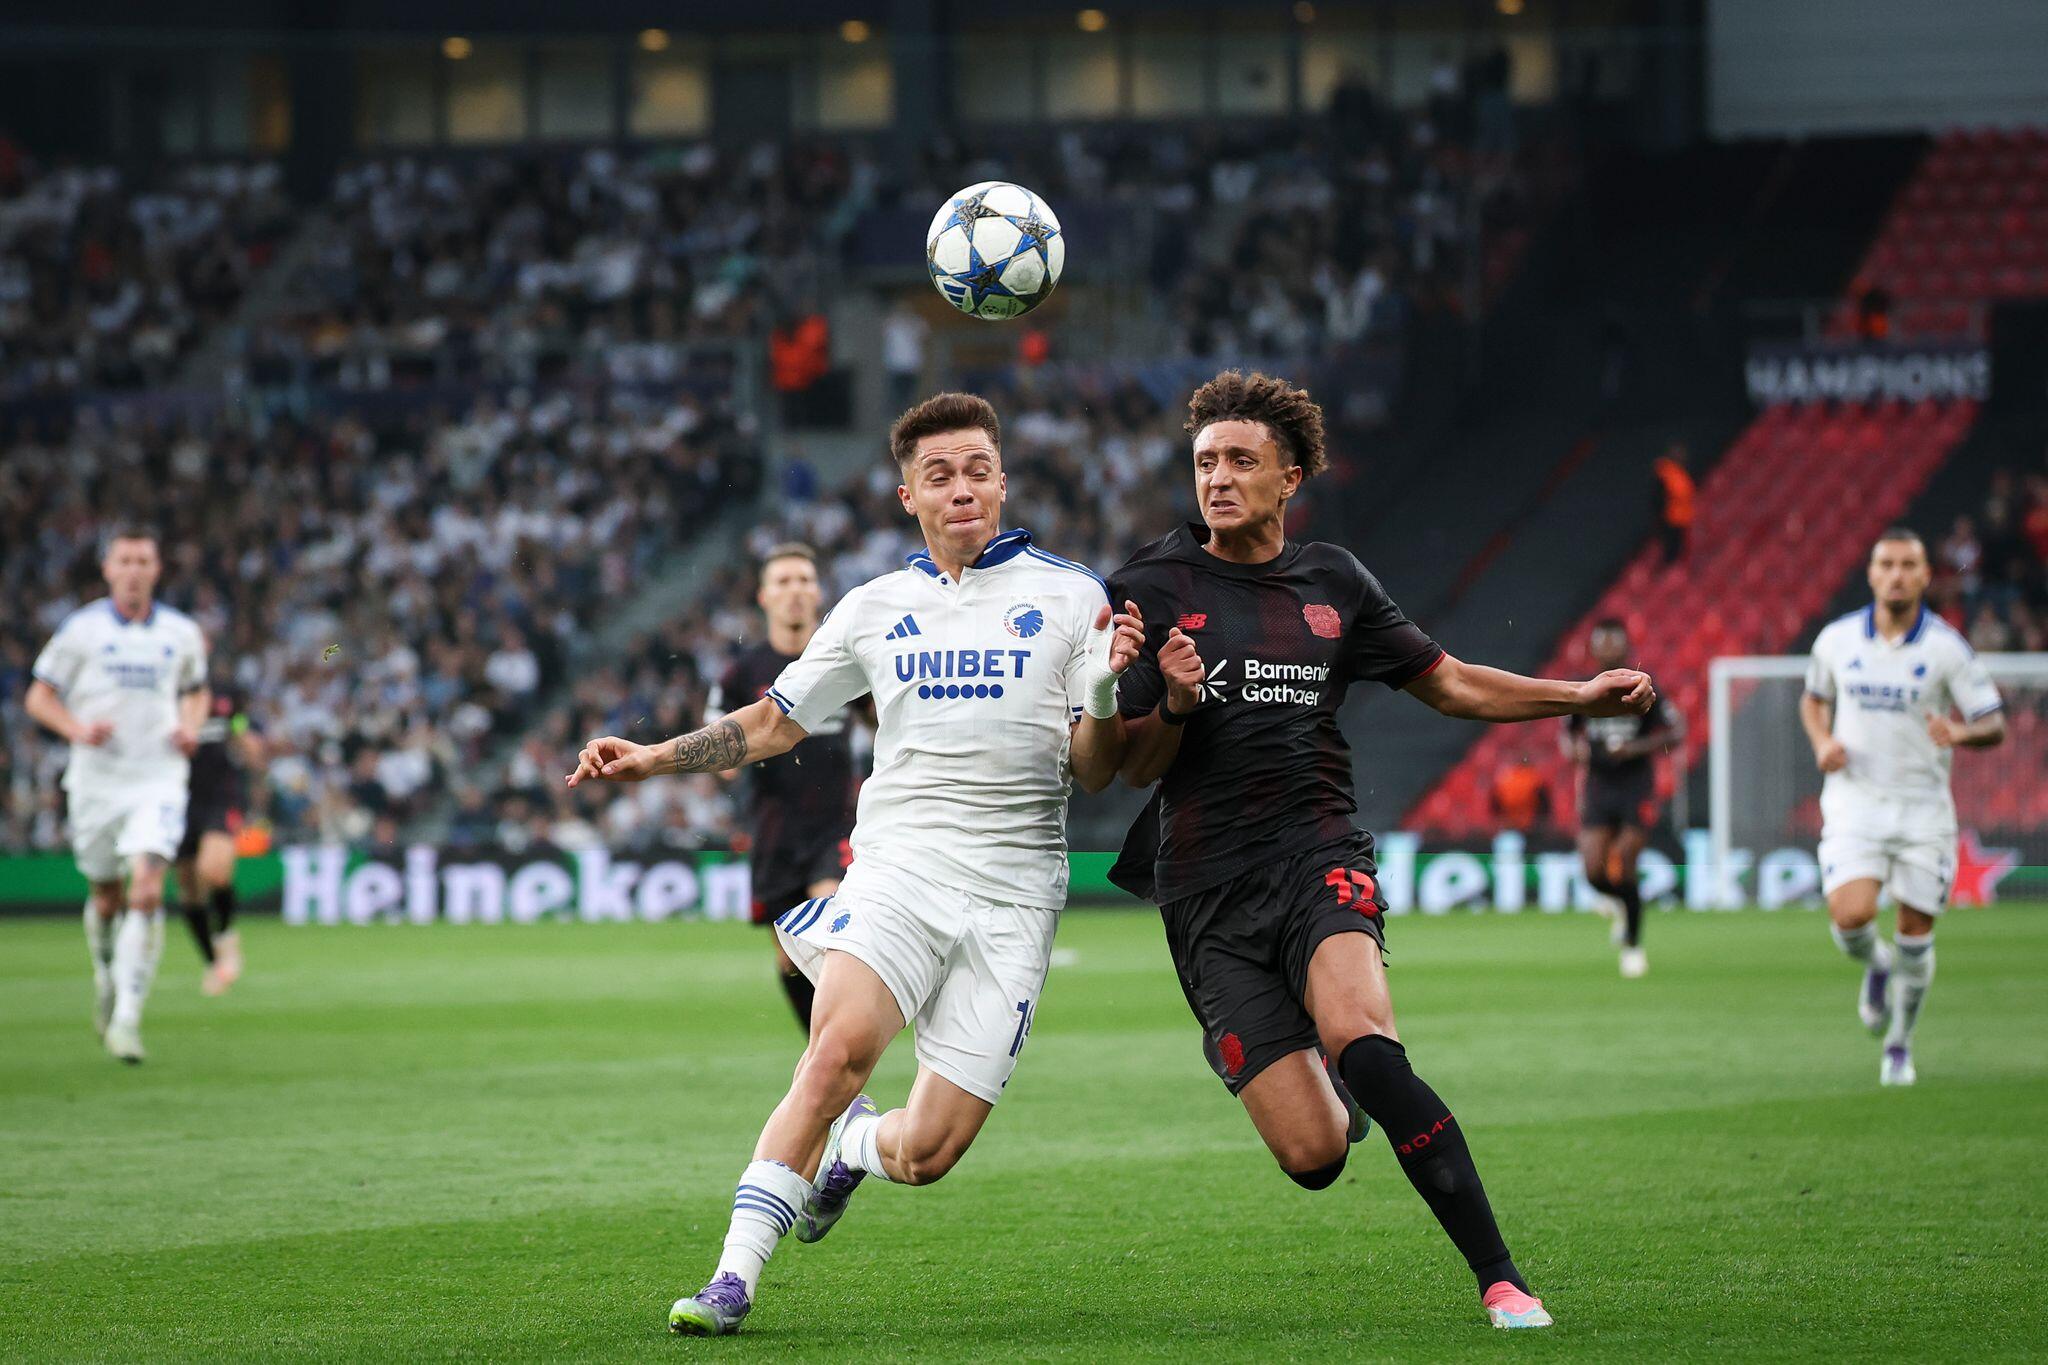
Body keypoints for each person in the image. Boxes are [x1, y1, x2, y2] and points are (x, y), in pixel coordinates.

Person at [566, 392, 1145, 1336]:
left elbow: (1097, 767)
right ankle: (731, 1278)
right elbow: (772, 722)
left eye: (977, 470)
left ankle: (855, 1149)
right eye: (939, 475)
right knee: (833, 1055)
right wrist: (652, 755)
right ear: (908, 495)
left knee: (927, 1151)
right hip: (898, 870)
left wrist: (1108, 690)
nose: (962, 488)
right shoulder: (873, 608)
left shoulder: (1074, 596)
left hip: (1013, 895)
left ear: (1002, 481)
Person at [1107, 371, 1658, 1332]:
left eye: (1240, 460)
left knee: (1367, 1043)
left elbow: (1452, 684)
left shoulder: (1334, 581)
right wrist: (1177, 702)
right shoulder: (1150, 588)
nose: (1218, 477)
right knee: (1315, 1156)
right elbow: (1129, 765)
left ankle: (1501, 1278)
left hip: (1318, 847)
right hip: (1203, 889)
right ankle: (1320, 1077)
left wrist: (1576, 696)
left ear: (1290, 477)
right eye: (1205, 462)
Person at [1799, 528, 2005, 1087]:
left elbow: (1994, 722)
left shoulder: (1947, 648)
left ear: (1925, 575)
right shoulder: (1836, 640)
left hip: (1922, 813)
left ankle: (1899, 1044)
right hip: (1855, 804)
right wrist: (1822, 741)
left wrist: (1960, 733)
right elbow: (1813, 700)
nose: (1896, 574)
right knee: (1850, 917)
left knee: (1916, 932)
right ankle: (1876, 964)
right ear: (1871, 574)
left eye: (1908, 565)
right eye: (1886, 564)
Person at [24, 528, 208, 1063]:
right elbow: (39, 696)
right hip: (97, 782)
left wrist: (190, 727)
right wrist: (76, 729)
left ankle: (128, 1018)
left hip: (158, 778)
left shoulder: (181, 633)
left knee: (146, 889)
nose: (133, 570)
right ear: (107, 569)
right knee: (106, 898)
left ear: (157, 569)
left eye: (143, 561)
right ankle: (106, 975)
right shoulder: (81, 630)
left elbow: (196, 693)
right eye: (124, 560)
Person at [705, 542, 863, 1030]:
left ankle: (840, 1053)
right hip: (774, 832)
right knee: (791, 960)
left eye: (804, 580)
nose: (795, 591)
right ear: (764, 596)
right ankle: (823, 1055)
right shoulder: (741, 674)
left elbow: (885, 719)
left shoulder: (843, 659)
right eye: (783, 581)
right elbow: (721, 755)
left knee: (827, 936)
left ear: (818, 593)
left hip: (838, 827)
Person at [1564, 618, 1684, 978]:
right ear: (1592, 647)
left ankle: (1632, 944)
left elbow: (1675, 731)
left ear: (1625, 645)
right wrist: (1575, 751)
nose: (1607, 648)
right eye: (1601, 641)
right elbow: (1568, 733)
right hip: (1599, 786)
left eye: (1613, 641)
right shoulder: (1583, 688)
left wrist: (1634, 748)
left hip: (1636, 785)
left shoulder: (1642, 684)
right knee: (1593, 871)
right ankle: (1620, 903)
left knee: (1627, 859)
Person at [175, 668, 263, 995]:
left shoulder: (223, 692)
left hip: (219, 798)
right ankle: (213, 962)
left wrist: (246, 740)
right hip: (175, 798)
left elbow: (238, 726)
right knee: (188, 888)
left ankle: (225, 934)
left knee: (213, 871)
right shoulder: (163, 691)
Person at [1652, 443, 1694, 563]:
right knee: (1671, 552)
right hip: (1670, 520)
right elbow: (1658, 499)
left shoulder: (1680, 475)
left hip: (1680, 519)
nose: (1682, 457)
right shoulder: (1665, 474)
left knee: (1679, 552)